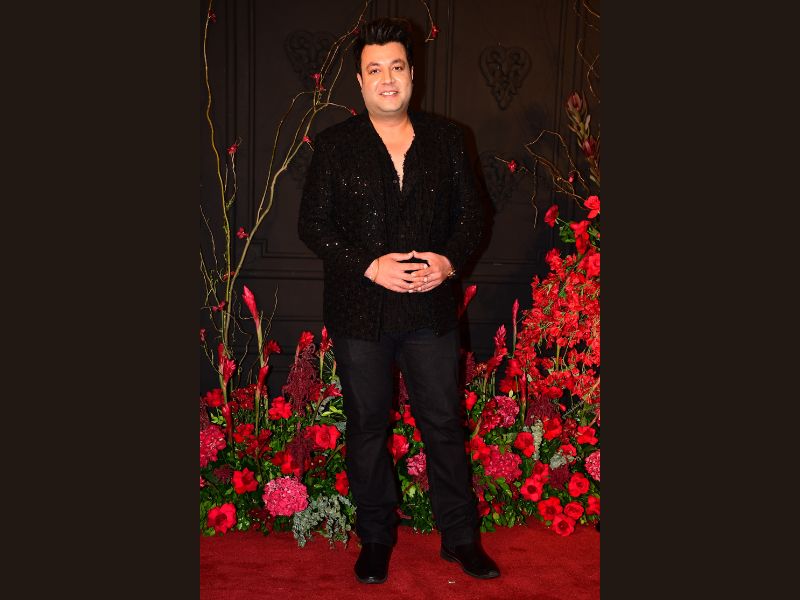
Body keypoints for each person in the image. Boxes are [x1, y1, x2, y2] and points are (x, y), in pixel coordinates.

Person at [298, 17, 499, 584]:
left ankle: (460, 538)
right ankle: (376, 538)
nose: (387, 79)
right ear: (361, 82)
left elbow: (474, 216)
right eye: (375, 69)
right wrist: (371, 265)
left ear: (412, 74)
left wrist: (447, 263)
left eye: (397, 67)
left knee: (443, 423)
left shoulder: (448, 140)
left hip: (430, 310)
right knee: (367, 427)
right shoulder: (335, 146)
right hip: (360, 311)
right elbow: (312, 224)